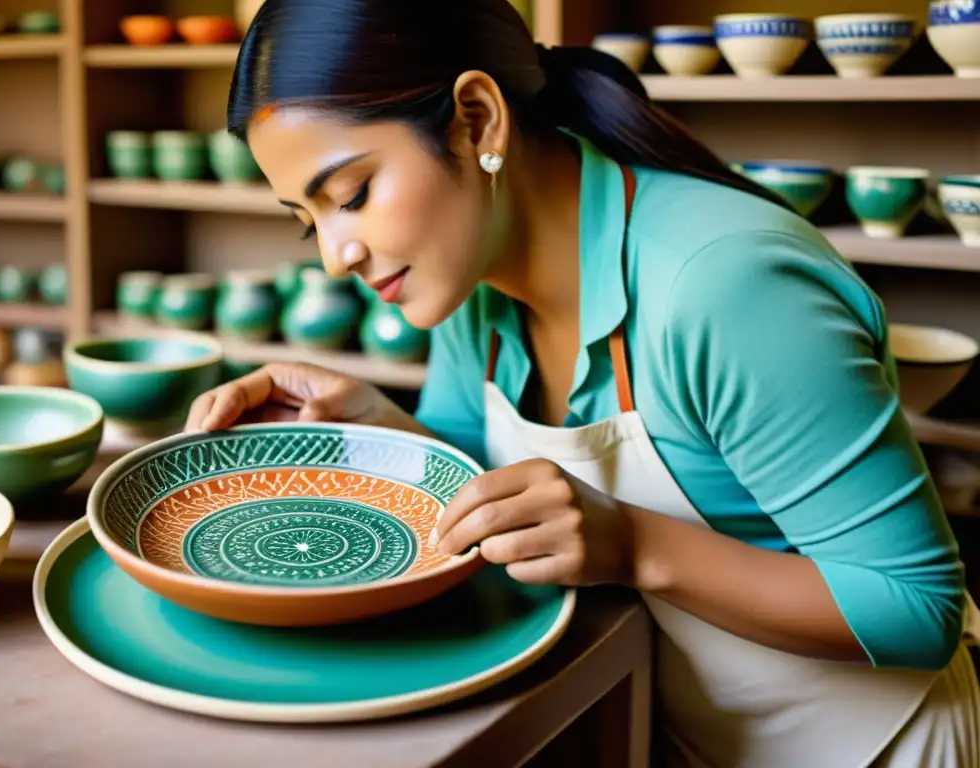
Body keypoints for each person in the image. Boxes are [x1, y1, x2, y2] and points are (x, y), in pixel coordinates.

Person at [185, 0, 980, 764]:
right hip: (678, 731)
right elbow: (495, 502)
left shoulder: (724, 284)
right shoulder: (469, 280)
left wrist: (632, 545)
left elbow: (917, 608)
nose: (334, 255)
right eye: (307, 217)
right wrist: (376, 421)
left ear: (476, 118)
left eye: (351, 195)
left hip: (871, 747)